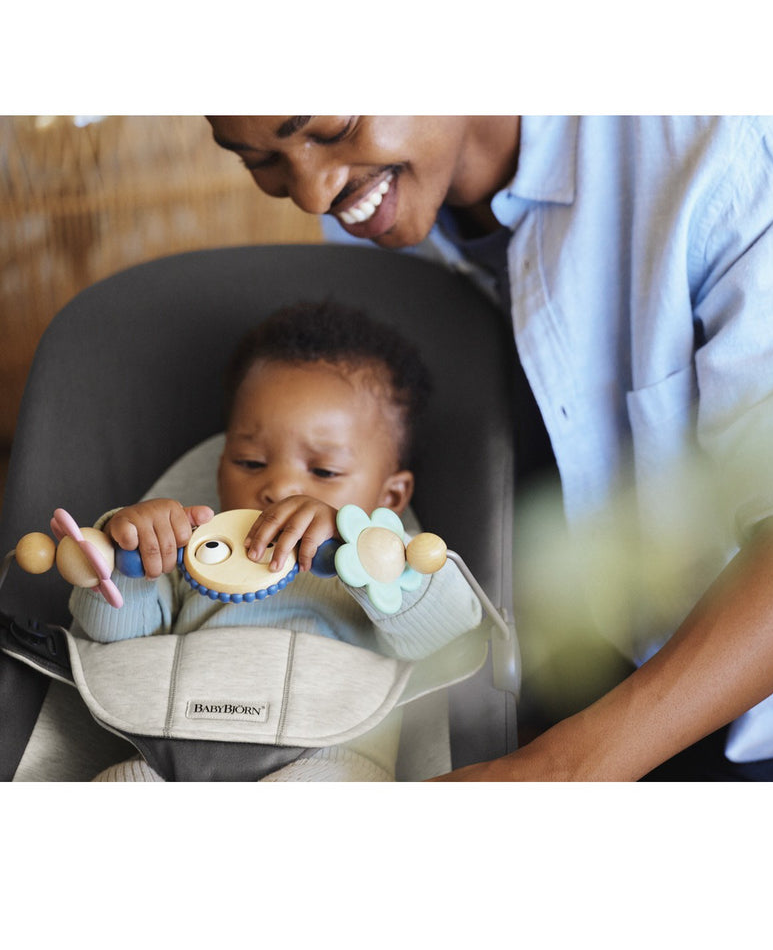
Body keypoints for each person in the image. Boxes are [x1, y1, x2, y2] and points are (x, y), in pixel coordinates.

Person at [206, 115, 773, 782]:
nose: (312, 192)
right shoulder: (382, 213)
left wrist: (554, 773)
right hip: (598, 704)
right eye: (259, 161)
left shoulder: (740, 131)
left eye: (329, 128)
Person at [69, 299, 484, 781]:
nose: (280, 487)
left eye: (324, 471)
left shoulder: (386, 564)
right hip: (170, 745)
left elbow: (449, 634)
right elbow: (114, 642)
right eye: (250, 462)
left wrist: (369, 554)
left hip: (329, 753)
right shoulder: (197, 553)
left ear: (390, 496)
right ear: (220, 468)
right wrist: (131, 554)